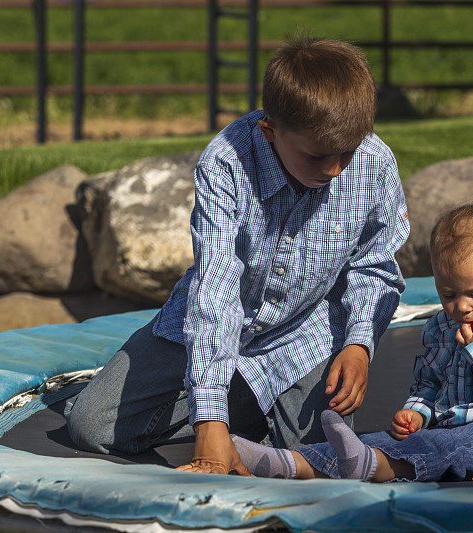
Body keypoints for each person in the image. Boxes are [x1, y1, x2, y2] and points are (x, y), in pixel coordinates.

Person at [63, 36, 410, 476]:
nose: (335, 169)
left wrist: (359, 344)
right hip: (213, 325)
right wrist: (208, 421)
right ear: (270, 131)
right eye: (319, 155)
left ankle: (243, 405)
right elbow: (217, 289)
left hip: (308, 335)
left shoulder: (374, 163)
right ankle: (225, 405)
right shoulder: (225, 164)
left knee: (320, 457)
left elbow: (375, 264)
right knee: (91, 425)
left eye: (348, 151)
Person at [232, 181, 473, 482]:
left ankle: (370, 467)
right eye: (449, 294)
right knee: (387, 441)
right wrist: (416, 413)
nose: (462, 307)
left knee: (443, 446)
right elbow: (429, 384)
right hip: (445, 434)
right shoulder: (442, 326)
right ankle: (292, 463)